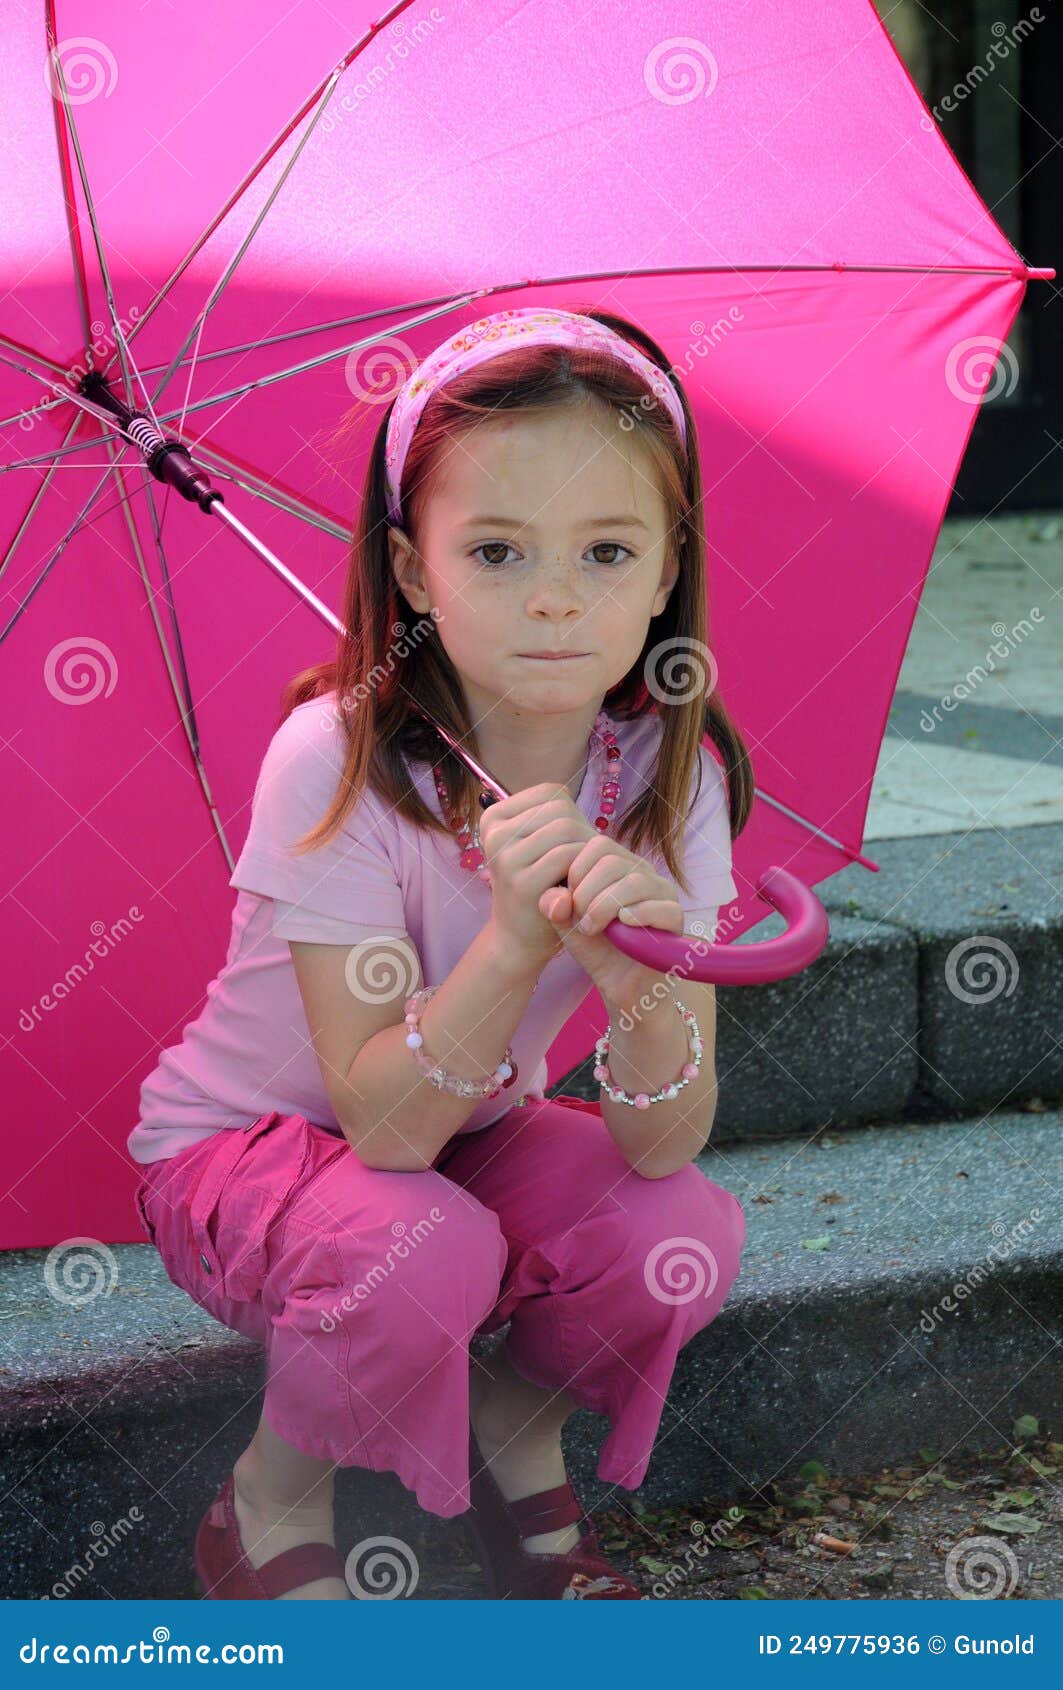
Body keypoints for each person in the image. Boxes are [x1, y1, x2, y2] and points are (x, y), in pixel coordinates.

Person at [128, 304, 755, 1601]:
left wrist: (642, 981)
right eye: (494, 549)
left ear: (665, 567)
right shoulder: (340, 761)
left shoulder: (665, 774)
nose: (551, 597)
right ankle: (267, 1501)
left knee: (673, 1229)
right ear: (414, 572)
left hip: (465, 1132)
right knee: (421, 1240)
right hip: (253, 1150)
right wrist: (521, 941)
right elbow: (386, 1125)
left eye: (604, 551)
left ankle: (510, 1427)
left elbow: (661, 1141)